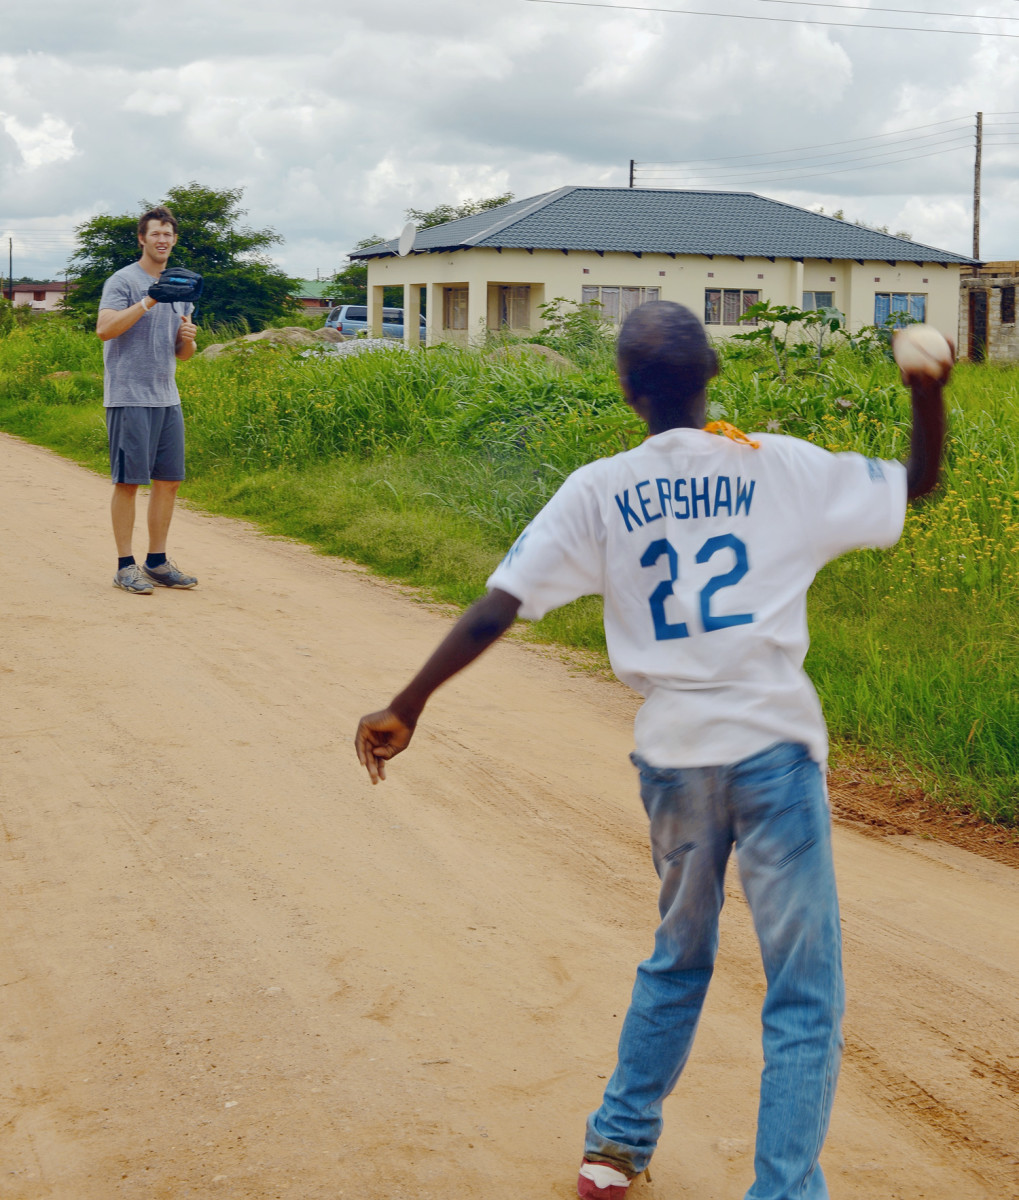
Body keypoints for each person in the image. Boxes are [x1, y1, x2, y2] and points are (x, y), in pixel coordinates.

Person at [354, 301, 948, 1200]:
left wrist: (408, 704)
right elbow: (915, 483)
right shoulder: (778, 465)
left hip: (674, 758)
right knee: (802, 993)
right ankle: (783, 1189)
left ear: (627, 390)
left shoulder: (598, 488)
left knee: (679, 952)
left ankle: (616, 1147)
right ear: (714, 369)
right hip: (773, 751)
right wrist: (926, 392)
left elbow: (499, 604)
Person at [97, 205, 199, 594]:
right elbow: (105, 330)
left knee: (169, 481)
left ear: (174, 240)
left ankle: (156, 561)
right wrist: (149, 300)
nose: (162, 240)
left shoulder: (182, 285)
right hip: (128, 395)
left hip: (166, 397)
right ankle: (125, 566)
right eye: (155, 233)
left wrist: (187, 340)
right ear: (142, 238)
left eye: (168, 234)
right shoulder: (122, 280)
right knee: (128, 482)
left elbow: (182, 353)